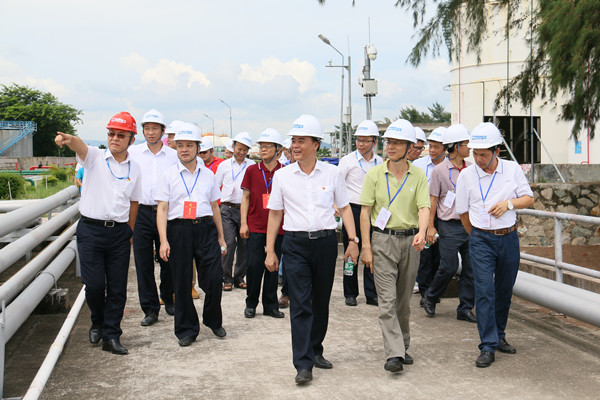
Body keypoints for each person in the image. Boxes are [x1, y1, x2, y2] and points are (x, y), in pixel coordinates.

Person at [265, 114, 359, 385]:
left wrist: (353, 241)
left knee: (320, 301)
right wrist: (270, 250)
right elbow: (275, 214)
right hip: (295, 245)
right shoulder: (282, 176)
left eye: (301, 140)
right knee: (300, 303)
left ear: (316, 144)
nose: (295, 145)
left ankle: (316, 349)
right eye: (293, 140)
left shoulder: (332, 173)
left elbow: (344, 208)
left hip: (325, 243)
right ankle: (303, 363)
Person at [54, 112, 142, 355]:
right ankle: (97, 321)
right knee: (93, 285)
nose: (115, 138)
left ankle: (111, 335)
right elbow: (79, 145)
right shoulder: (94, 157)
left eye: (121, 135)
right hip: (91, 231)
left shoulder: (135, 167)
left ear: (131, 140)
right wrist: (68, 139)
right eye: (111, 133)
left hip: (119, 233)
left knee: (117, 288)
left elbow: (134, 202)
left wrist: (130, 230)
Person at [455, 122, 534, 368]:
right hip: (481, 239)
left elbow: (528, 198)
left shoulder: (512, 169)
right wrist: (477, 235)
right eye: (475, 154)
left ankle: (499, 335)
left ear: (496, 151)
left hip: (508, 238)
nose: (478, 159)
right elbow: (462, 212)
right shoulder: (466, 175)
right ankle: (487, 346)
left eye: (483, 155)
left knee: (504, 290)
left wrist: (509, 204)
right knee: (484, 291)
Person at [359, 119, 430, 373]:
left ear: (409, 147)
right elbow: (365, 212)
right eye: (389, 142)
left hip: (410, 242)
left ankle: (402, 345)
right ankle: (394, 353)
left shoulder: (418, 175)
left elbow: (424, 207)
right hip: (382, 241)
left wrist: (422, 232)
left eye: (397, 143)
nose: (390, 146)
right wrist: (366, 246)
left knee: (403, 302)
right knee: (387, 300)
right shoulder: (374, 174)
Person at [156, 123, 227, 347]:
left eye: (189, 145)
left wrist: (221, 237)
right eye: (180, 146)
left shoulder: (208, 175)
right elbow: (162, 209)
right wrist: (163, 240)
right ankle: (187, 329)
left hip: (206, 229)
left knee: (214, 278)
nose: (184, 150)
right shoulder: (168, 175)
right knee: (182, 282)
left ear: (198, 147)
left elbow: (214, 207)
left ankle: (213, 320)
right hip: (178, 231)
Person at [128, 109, 177, 327]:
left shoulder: (173, 156)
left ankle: (169, 298)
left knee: (169, 259)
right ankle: (150, 308)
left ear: (163, 131)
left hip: (166, 213)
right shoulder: (133, 153)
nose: (150, 132)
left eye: (155, 128)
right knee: (143, 262)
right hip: (141, 213)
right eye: (146, 128)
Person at [423, 124, 476, 322]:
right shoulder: (439, 171)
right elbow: (433, 199)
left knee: (471, 268)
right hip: (449, 225)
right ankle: (431, 296)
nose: (469, 148)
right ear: (455, 146)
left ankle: (465, 308)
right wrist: (430, 226)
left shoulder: (472, 169)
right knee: (449, 267)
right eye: (466, 144)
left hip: (469, 225)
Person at [240, 128, 285, 319]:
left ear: (278, 150)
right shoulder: (252, 170)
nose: (263, 149)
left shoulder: (285, 171)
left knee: (273, 266)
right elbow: (245, 198)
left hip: (279, 228)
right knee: (253, 266)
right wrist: (244, 223)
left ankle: (270, 305)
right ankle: (251, 303)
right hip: (256, 226)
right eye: (261, 146)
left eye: (268, 146)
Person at [337, 119, 382, 307]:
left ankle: (372, 293)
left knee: (371, 250)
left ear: (374, 142)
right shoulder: (347, 161)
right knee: (351, 249)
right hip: (353, 211)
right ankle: (350, 293)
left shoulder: (380, 162)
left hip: (373, 211)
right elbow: (337, 185)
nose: (361, 144)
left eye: (365, 140)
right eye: (359, 140)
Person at [215, 132, 255, 291]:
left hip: (245, 210)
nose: (242, 152)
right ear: (233, 147)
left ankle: (239, 277)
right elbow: (216, 186)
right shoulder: (224, 165)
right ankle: (226, 277)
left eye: (245, 149)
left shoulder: (251, 165)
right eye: (239, 148)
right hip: (227, 208)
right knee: (229, 243)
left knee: (244, 244)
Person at [413, 127, 446, 305]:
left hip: (443, 217)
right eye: (430, 146)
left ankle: (434, 291)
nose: (432, 150)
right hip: (423, 216)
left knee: (439, 257)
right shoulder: (418, 166)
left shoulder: (449, 167)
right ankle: (425, 292)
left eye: (436, 147)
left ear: (446, 148)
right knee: (424, 255)